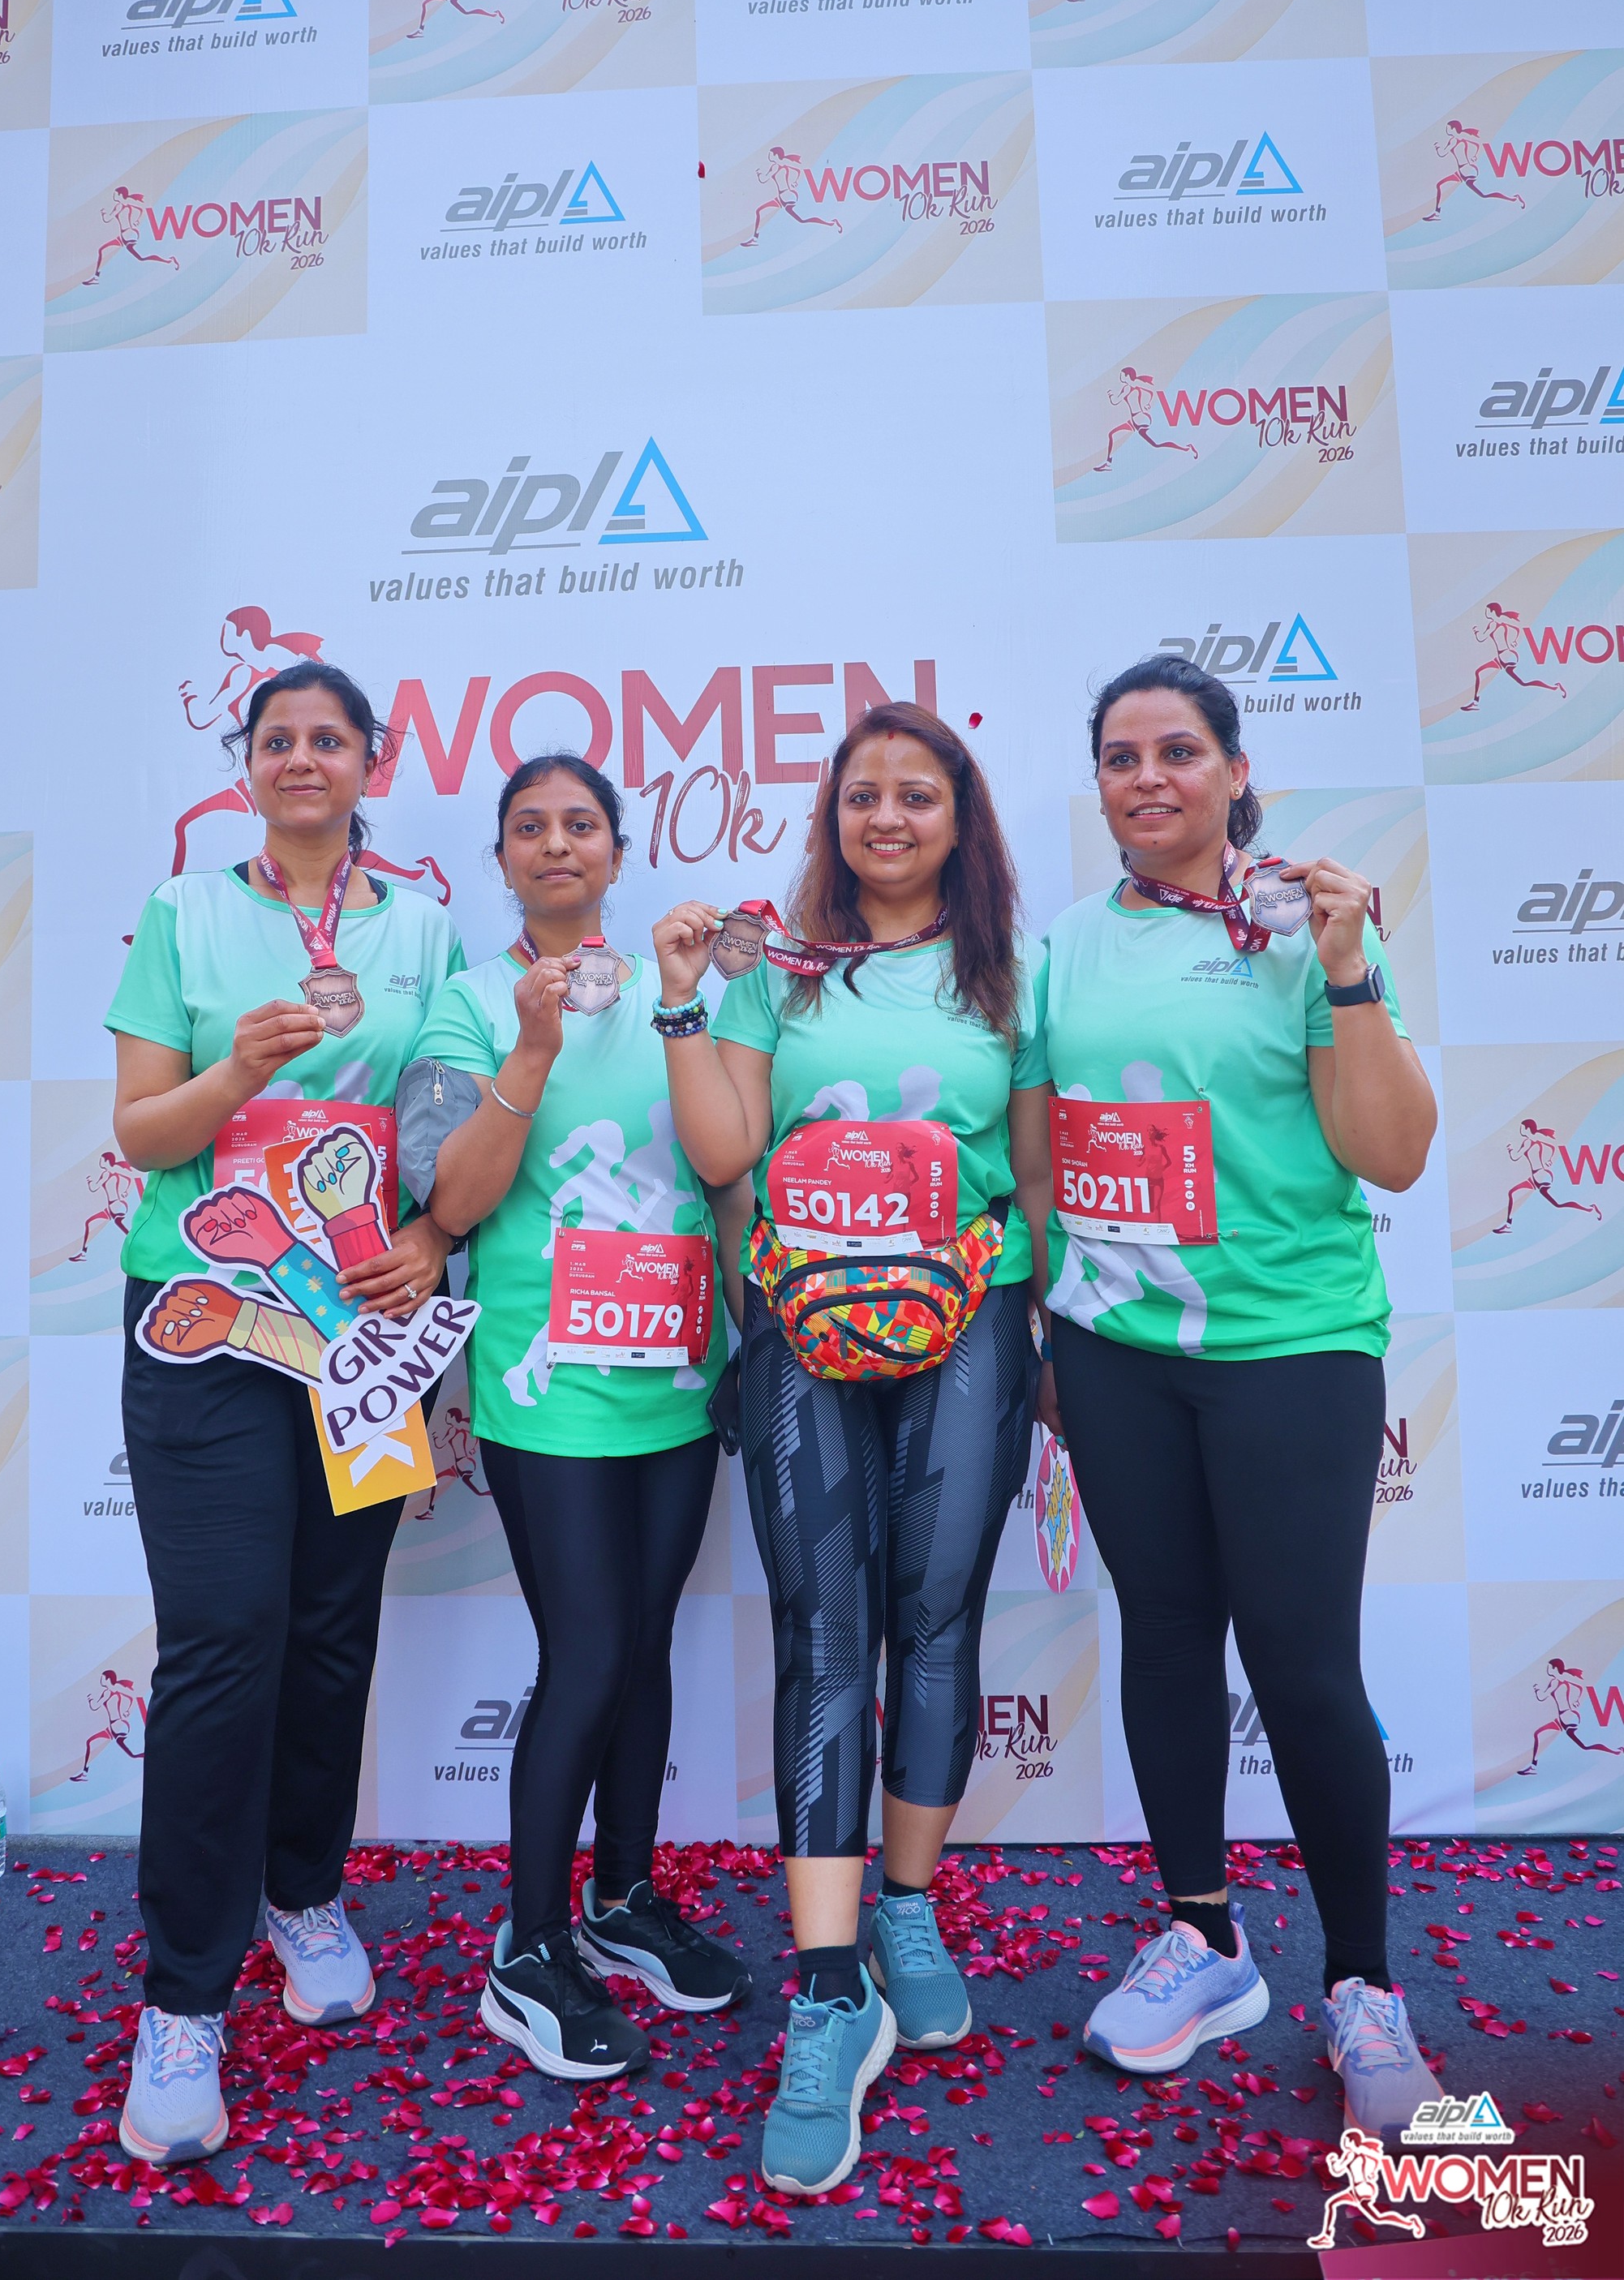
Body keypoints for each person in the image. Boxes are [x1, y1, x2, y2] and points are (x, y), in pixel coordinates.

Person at [1021, 653, 1444, 2140]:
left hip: (1291, 1347)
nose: (1149, 778)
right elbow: (1041, 1156)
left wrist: (1349, 965)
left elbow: (1393, 1155)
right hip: (1114, 1351)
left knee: (1303, 1663)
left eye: (1179, 751)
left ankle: (1363, 1985)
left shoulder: (1307, 926)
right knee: (1165, 1636)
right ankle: (1204, 1940)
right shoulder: (1066, 948)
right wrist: (1047, 1335)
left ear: (1234, 770)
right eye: (1121, 756)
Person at [652, 702, 1045, 2197]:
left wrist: (1046, 1340)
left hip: (971, 1322)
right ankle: (829, 1993)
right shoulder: (779, 969)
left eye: (917, 794)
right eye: (862, 794)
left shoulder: (1014, 971)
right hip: (802, 1326)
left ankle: (909, 1907)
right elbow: (724, 1156)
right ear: (831, 816)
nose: (886, 817)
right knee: (824, 1634)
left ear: (961, 816)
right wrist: (684, 1005)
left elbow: (1038, 1171)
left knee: (934, 1620)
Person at [106, 659, 464, 2165]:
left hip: (357, 1332)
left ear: (372, 761)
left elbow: (446, 1122)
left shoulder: (425, 928)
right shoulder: (185, 912)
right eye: (278, 739)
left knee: (329, 1631)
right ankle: (184, 2000)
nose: (303, 757)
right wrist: (237, 1070)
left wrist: (432, 1236)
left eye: (329, 738)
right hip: (204, 1324)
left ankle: (301, 1894)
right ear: (246, 766)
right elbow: (140, 1132)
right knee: (222, 1645)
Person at [403, 753, 750, 2084]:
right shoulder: (469, 1002)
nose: (557, 845)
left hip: (676, 1377)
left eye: (581, 825)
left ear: (617, 850)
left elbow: (723, 1169)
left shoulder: (679, 987)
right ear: (501, 859)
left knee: (642, 1649)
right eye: (530, 828)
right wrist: (533, 1047)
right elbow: (450, 1199)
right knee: (589, 1653)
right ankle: (529, 1947)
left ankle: (620, 1902)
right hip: (545, 1389)